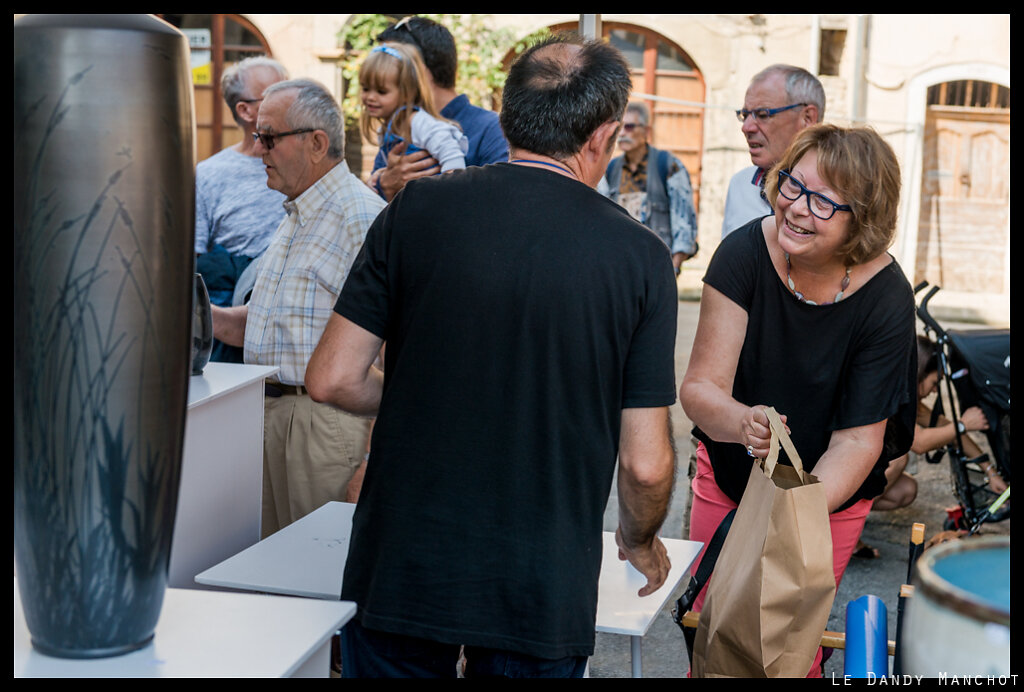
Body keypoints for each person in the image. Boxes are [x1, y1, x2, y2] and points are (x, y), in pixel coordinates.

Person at [305, 34, 677, 678]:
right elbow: (645, 465)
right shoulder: (638, 256)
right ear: (604, 136)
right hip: (539, 582)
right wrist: (638, 539)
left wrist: (422, 390)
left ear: (506, 119)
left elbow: (332, 378)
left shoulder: (415, 209)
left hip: (403, 565)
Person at [679, 124, 918, 677]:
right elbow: (699, 389)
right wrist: (742, 422)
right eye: (792, 184)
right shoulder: (742, 253)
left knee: (790, 645)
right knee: (713, 631)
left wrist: (791, 514)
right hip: (729, 477)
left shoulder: (885, 298)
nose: (796, 208)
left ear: (864, 217)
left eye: (822, 201)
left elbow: (860, 440)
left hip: (827, 498)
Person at [210, 78, 386, 538]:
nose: (258, 149)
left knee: (320, 579)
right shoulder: (296, 214)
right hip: (278, 419)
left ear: (316, 143)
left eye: (268, 137)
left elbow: (391, 349)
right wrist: (203, 318)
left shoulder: (360, 217)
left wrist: (371, 457)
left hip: (326, 427)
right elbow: (272, 324)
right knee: (278, 576)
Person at [854, 334, 1006, 558]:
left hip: (859, 473)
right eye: (935, 383)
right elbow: (920, 443)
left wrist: (990, 472)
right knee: (898, 461)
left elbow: (950, 431)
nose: (935, 390)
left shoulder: (913, 403)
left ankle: (851, 519)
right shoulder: (890, 393)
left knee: (906, 491)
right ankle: (845, 528)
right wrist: (963, 424)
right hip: (841, 466)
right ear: (919, 373)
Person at [195, 56, 290, 362]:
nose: (291, 100)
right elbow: (193, 261)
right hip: (232, 328)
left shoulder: (304, 164)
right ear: (245, 110)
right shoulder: (209, 174)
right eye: (275, 93)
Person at [370, 15, 509, 200]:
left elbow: (501, 203)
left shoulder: (491, 129)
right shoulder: (397, 126)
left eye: (391, 66)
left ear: (418, 71)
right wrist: (384, 184)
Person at [721, 64, 824, 238]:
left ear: (807, 118)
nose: (746, 127)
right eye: (744, 115)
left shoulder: (841, 191)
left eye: (762, 114)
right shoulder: (740, 185)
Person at [603, 101, 698, 276]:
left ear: (646, 131)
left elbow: (684, 225)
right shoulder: (610, 168)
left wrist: (673, 269)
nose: (622, 133)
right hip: (619, 270)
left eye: (630, 127)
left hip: (657, 269)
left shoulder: (669, 165)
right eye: (620, 127)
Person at [359, 41, 467, 192]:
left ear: (406, 93)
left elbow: (452, 157)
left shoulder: (417, 121)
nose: (370, 97)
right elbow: (389, 168)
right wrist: (376, 177)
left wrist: (448, 192)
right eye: (365, 88)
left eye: (381, 91)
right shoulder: (386, 129)